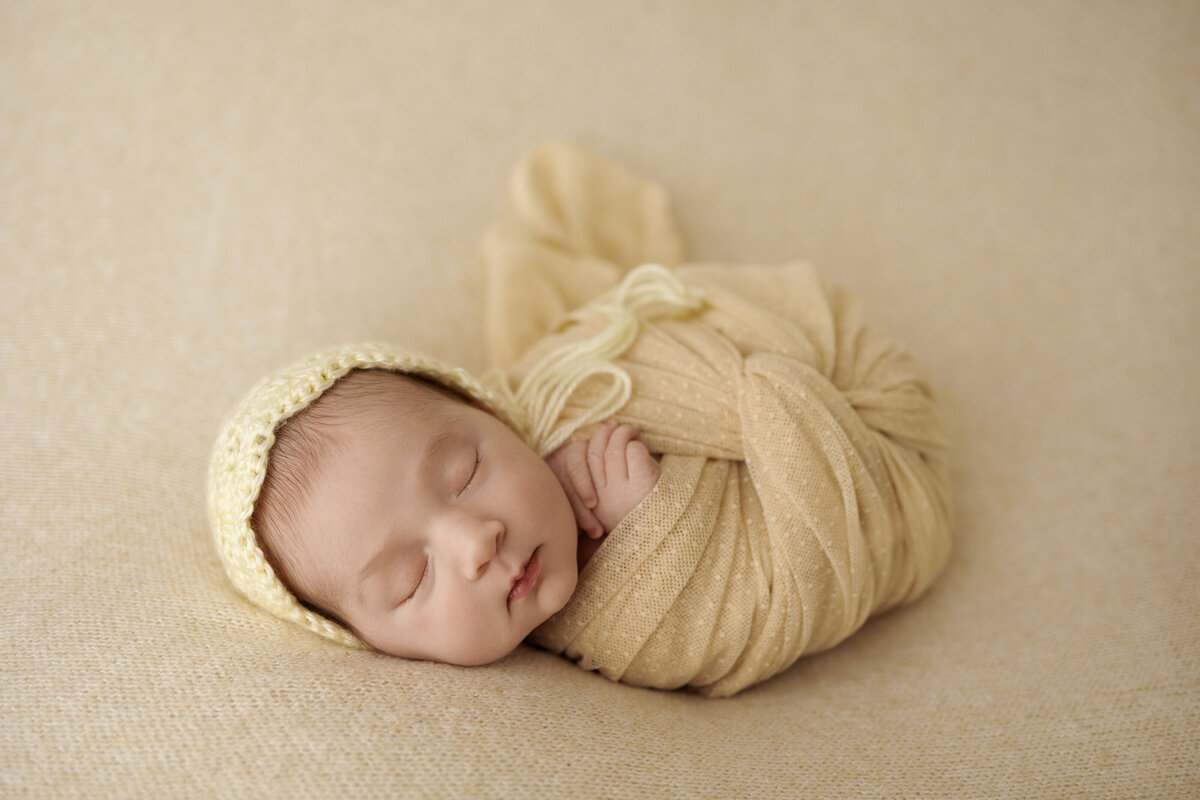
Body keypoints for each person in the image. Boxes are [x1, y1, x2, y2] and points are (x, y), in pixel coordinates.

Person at [208, 144, 953, 696]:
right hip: (870, 480)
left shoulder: (557, 389)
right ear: (368, 641)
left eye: (466, 473)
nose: (475, 540)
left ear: (491, 411)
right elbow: (739, 630)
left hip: (816, 362)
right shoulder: (616, 631)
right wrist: (651, 525)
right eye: (411, 579)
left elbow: (611, 339)